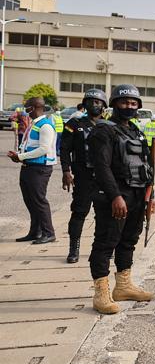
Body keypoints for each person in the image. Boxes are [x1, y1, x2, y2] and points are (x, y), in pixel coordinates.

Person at [86, 84, 155, 315]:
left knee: (128, 241)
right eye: (124, 102)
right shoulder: (104, 131)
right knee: (106, 242)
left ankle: (123, 286)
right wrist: (115, 196)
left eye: (134, 103)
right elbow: (102, 167)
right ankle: (101, 294)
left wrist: (149, 197)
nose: (129, 107)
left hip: (136, 195)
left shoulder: (136, 131)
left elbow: (146, 166)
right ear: (114, 104)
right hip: (114, 195)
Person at [61, 89, 107, 263]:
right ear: (85, 104)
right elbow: (65, 149)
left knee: (104, 214)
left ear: (103, 105)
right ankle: (74, 249)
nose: (94, 105)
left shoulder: (109, 125)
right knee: (79, 212)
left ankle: (102, 248)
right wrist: (66, 171)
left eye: (98, 102)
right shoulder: (74, 123)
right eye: (91, 102)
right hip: (83, 176)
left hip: (104, 178)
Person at [7, 97, 57, 244]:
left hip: (40, 169)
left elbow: (44, 149)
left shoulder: (45, 125)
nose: (25, 110)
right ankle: (36, 231)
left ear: (34, 107)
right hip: (28, 166)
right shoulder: (33, 124)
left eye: (27, 107)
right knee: (30, 200)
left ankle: (49, 233)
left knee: (39, 201)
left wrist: (20, 156)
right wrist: (19, 155)